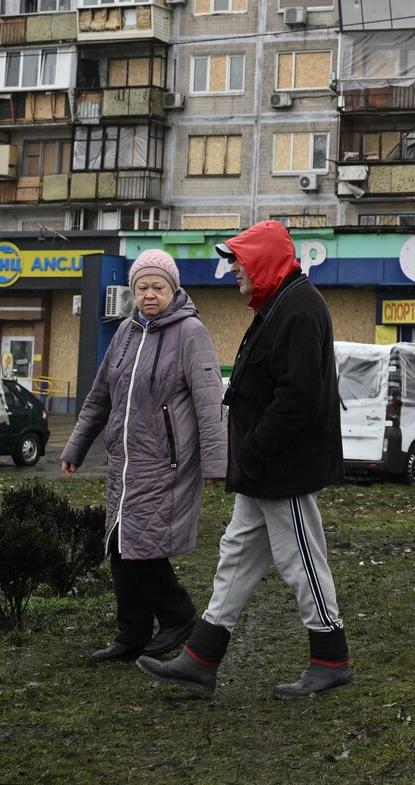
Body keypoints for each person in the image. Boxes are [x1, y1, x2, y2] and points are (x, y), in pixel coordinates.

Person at [139, 220, 351, 699]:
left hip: (282, 469)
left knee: (302, 561)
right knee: (235, 555)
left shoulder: (297, 308)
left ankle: (331, 659)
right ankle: (200, 658)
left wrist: (252, 449)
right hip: (265, 468)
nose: (232, 269)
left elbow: (297, 398)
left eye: (239, 260)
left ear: (263, 262)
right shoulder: (282, 304)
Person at [61, 249, 227, 664]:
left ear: (173, 290)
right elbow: (100, 395)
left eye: (158, 287)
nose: (149, 295)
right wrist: (76, 447)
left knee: (143, 546)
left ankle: (180, 615)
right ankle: (130, 635)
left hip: (167, 461)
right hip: (124, 461)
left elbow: (211, 402)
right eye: (142, 288)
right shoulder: (125, 333)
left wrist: (216, 463)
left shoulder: (191, 332)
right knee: (119, 544)